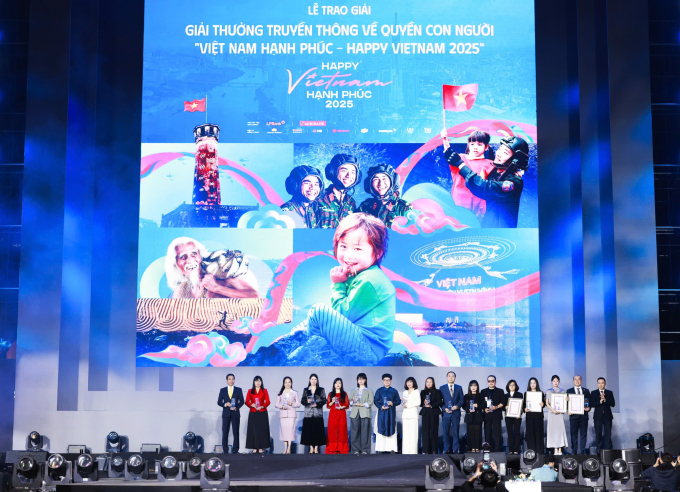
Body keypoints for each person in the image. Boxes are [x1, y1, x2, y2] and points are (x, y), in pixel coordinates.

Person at [293, 213, 396, 364]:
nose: (348, 255)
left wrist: (338, 285)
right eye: (343, 246)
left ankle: (308, 354)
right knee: (310, 319)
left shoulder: (370, 280)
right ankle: (291, 344)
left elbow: (342, 315)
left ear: (377, 252)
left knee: (318, 311)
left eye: (357, 249)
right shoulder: (359, 275)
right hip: (360, 341)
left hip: (367, 349)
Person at [444, 135, 529, 228]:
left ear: (515, 160)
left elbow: (482, 187)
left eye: (505, 152)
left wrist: (460, 164)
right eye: (500, 149)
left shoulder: (514, 183)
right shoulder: (495, 171)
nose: (499, 154)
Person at [165, 237, 258, 299]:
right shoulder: (181, 291)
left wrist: (216, 288)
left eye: (194, 254)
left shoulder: (220, 274)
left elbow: (255, 296)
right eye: (183, 257)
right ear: (175, 264)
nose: (190, 260)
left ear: (200, 256)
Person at [447, 131, 496, 219]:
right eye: (472, 144)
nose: (475, 147)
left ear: (486, 147)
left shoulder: (491, 164)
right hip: (459, 201)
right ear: (468, 145)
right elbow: (448, 152)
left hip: (479, 204)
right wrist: (445, 140)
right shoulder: (459, 158)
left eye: (479, 144)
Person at [318, 154, 361, 228]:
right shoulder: (319, 197)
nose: (349, 175)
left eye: (353, 172)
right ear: (333, 172)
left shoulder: (351, 202)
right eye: (344, 170)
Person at [374, 373, 401, 453]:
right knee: (381, 429)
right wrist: (380, 406)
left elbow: (398, 401)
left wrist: (392, 403)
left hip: (391, 413)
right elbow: (375, 400)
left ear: (391, 381)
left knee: (391, 428)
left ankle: (392, 448)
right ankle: (381, 449)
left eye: (388, 380)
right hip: (382, 413)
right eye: (385, 380)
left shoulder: (394, 391)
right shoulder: (379, 390)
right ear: (382, 381)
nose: (386, 381)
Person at [217, 373, 244, 454]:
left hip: (235, 413)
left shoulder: (238, 390)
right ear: (227, 380)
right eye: (229, 379)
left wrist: (236, 407)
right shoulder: (222, 390)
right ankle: (225, 450)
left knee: (236, 432)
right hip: (226, 414)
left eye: (233, 379)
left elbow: (242, 401)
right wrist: (225, 404)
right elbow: (219, 402)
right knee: (225, 432)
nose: (231, 380)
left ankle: (235, 449)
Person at [440, 371, 465, 453]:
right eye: (449, 376)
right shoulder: (442, 388)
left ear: (455, 378)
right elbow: (440, 401)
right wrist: (444, 408)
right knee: (445, 432)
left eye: (452, 376)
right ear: (446, 377)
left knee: (455, 432)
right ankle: (446, 449)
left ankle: (455, 449)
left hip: (455, 413)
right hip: (446, 414)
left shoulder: (459, 388)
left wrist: (457, 406)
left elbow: (462, 400)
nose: (451, 378)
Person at [301, 373, 326, 453]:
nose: (313, 381)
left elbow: (324, 400)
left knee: (317, 431)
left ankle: (316, 448)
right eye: (312, 379)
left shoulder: (321, 390)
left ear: (317, 380)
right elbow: (302, 401)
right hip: (308, 414)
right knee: (309, 431)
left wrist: (317, 404)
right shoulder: (306, 390)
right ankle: (311, 448)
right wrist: (307, 401)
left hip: (317, 413)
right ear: (309, 380)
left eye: (315, 379)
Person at [349, 373, 374, 455]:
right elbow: (350, 402)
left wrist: (362, 404)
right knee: (355, 432)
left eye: (362, 379)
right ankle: (355, 450)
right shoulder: (353, 390)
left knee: (365, 432)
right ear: (357, 380)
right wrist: (353, 401)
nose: (361, 381)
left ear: (365, 380)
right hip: (355, 413)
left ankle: (365, 450)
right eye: (359, 379)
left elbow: (370, 402)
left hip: (365, 412)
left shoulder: (369, 390)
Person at [245, 375, 271, 454]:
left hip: (262, 412)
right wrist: (251, 405)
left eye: (259, 381)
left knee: (262, 430)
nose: (258, 382)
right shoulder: (250, 391)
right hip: (253, 412)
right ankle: (254, 447)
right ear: (254, 382)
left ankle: (261, 447)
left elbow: (268, 401)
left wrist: (262, 406)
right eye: (256, 381)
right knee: (253, 430)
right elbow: (246, 401)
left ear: (261, 382)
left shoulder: (264, 390)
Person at [275, 376, 300, 454]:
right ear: (283, 383)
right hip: (283, 415)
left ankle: (289, 448)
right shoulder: (280, 393)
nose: (287, 384)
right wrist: (281, 406)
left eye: (289, 382)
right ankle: (285, 448)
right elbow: (276, 404)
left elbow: (298, 404)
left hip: (291, 414)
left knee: (290, 432)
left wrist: (292, 404)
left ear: (291, 383)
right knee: (284, 432)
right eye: (286, 382)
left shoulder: (294, 393)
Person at [566, 375, 591, 454]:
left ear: (581, 381)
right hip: (573, 416)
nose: (577, 381)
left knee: (583, 434)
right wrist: (567, 410)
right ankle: (574, 450)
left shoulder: (586, 391)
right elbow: (566, 404)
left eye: (579, 379)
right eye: (575, 379)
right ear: (573, 381)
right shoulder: (569, 391)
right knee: (574, 434)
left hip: (584, 416)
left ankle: (582, 450)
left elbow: (589, 402)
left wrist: (589, 408)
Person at [589, 377, 615, 451]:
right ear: (597, 384)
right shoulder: (593, 393)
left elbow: (613, 404)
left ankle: (608, 449)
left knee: (608, 433)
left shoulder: (609, 392)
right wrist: (600, 401)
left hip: (607, 416)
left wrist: (605, 400)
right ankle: (599, 449)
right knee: (598, 433)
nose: (601, 384)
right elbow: (592, 404)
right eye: (599, 383)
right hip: (598, 416)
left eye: (602, 383)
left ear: (605, 384)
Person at [480, 375, 505, 452]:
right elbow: (481, 403)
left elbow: (503, 402)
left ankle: (497, 448)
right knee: (487, 433)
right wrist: (484, 409)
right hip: (487, 415)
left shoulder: (500, 391)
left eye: (492, 381)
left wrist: (496, 407)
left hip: (496, 414)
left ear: (495, 382)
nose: (491, 382)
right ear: (487, 382)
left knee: (497, 432)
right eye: (489, 381)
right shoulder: (483, 391)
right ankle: (488, 448)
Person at [545, 375, 568, 455]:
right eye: (554, 381)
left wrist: (567, 400)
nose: (555, 382)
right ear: (552, 382)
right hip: (552, 414)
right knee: (553, 431)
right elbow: (547, 403)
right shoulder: (549, 391)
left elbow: (565, 403)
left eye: (557, 381)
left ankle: (560, 449)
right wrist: (553, 410)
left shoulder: (563, 391)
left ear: (559, 382)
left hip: (560, 414)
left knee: (560, 431)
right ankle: (555, 449)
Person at [420, 377, 444, 454]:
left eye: (430, 382)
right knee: (425, 432)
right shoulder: (423, 392)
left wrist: (432, 405)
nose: (428, 383)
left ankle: (434, 450)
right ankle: (426, 450)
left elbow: (439, 401)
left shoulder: (437, 391)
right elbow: (420, 402)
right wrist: (423, 403)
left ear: (433, 383)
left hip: (434, 412)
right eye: (427, 382)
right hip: (425, 413)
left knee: (434, 431)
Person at [326, 378, 350, 454]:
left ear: (341, 384)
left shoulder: (344, 394)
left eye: (339, 383)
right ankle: (332, 447)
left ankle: (342, 448)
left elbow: (347, 404)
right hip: (333, 414)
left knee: (342, 430)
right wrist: (332, 401)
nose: (338, 384)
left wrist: (342, 407)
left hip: (341, 413)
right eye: (336, 383)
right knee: (332, 430)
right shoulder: (331, 394)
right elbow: (328, 405)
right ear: (334, 384)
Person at [463, 380, 486, 452]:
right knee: (470, 433)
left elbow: (484, 405)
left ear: (477, 387)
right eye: (471, 386)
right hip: (469, 416)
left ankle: (477, 447)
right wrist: (468, 409)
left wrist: (477, 405)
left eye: (475, 385)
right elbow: (463, 406)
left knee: (478, 432)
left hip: (478, 416)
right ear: (469, 387)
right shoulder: (466, 396)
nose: (473, 387)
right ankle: (472, 447)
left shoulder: (481, 396)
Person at [524, 377, 545, 454]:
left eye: (534, 383)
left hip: (538, 417)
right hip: (530, 416)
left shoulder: (541, 393)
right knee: (530, 435)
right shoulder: (526, 393)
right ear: (529, 384)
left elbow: (544, 403)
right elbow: (524, 405)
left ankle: (540, 452)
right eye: (531, 383)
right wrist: (524, 409)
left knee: (539, 434)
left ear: (537, 384)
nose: (533, 384)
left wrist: (543, 404)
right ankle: (531, 452)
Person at [402, 377, 421, 454]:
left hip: (413, 415)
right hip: (405, 415)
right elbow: (404, 402)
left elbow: (418, 402)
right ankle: (405, 452)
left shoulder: (416, 391)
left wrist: (408, 405)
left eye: (410, 382)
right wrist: (403, 403)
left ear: (414, 383)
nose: (409, 383)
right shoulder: (405, 392)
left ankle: (413, 452)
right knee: (406, 435)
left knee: (413, 434)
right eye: (408, 382)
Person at [504, 379, 523, 455]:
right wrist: (505, 407)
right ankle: (511, 449)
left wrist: (519, 414)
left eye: (513, 385)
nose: (512, 386)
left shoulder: (519, 394)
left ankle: (516, 449)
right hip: (508, 417)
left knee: (517, 433)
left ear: (516, 386)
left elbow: (521, 406)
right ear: (508, 386)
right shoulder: (505, 395)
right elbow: (503, 406)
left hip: (517, 417)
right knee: (510, 433)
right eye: (510, 385)